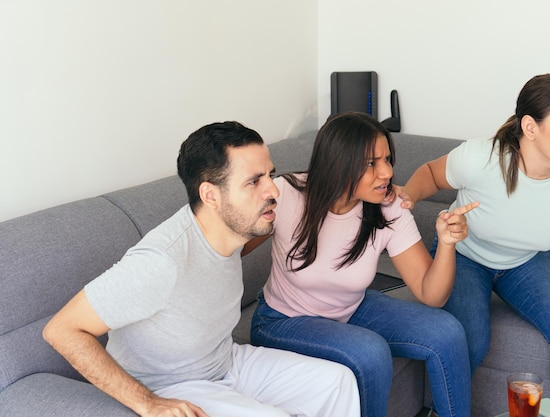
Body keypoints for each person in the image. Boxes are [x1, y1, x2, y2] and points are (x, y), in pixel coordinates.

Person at [42, 121, 361, 417]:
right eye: (254, 181)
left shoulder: (235, 231)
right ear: (210, 195)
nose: (273, 190)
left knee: (338, 382)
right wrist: (150, 404)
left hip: (227, 361)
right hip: (171, 384)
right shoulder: (160, 261)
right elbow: (62, 330)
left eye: (269, 174)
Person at [402, 73, 550, 401]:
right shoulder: (481, 158)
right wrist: (405, 199)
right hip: (463, 255)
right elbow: (433, 174)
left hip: (525, 262)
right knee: (469, 339)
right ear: (530, 127)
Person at [244, 112, 477, 417]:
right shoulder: (287, 193)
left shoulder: (388, 207)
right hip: (282, 320)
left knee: (447, 331)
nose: (386, 172)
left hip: (350, 309)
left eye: (387, 159)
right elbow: (230, 247)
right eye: (371, 163)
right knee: (370, 353)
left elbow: (431, 294)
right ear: (338, 163)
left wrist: (446, 244)